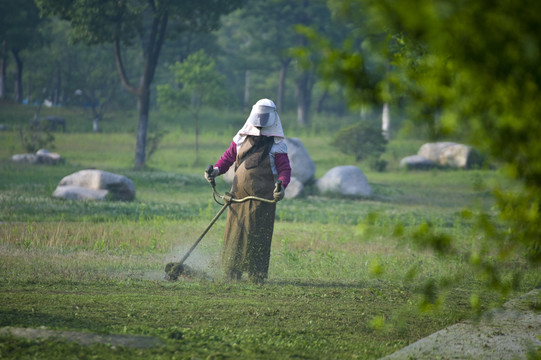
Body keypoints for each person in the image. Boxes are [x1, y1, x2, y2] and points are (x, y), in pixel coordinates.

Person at [205, 98, 291, 284]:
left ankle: (256, 276)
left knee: (257, 236)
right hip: (237, 197)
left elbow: (285, 170)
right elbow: (228, 158)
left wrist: (281, 186)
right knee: (234, 236)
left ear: (272, 118)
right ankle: (230, 273)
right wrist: (216, 171)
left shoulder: (277, 144)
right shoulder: (241, 137)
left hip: (263, 200)